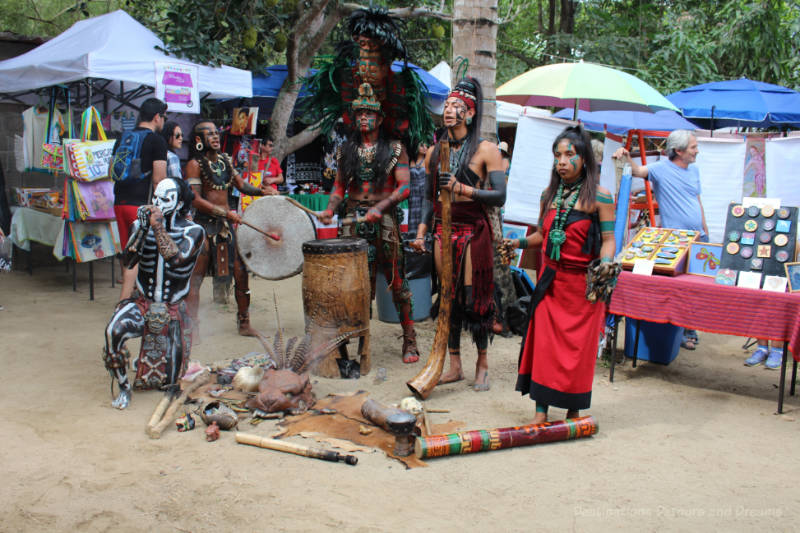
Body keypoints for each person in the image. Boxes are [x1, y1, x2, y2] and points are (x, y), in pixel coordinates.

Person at [511, 125, 616, 423]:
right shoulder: (549, 195)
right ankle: (541, 411)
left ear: (584, 158)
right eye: (557, 154)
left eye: (569, 154)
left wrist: (605, 264)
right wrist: (516, 241)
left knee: (577, 352)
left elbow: (608, 240)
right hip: (551, 283)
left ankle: (574, 410)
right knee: (544, 346)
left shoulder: (601, 197)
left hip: (584, 288)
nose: (562, 161)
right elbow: (542, 236)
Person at [410, 77, 506, 391]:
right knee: (448, 296)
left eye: (457, 106)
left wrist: (463, 188)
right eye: (448, 105)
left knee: (473, 298)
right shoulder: (435, 152)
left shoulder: (486, 149)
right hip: (443, 229)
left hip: (473, 230)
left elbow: (500, 196)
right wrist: (422, 230)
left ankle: (482, 363)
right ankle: (453, 364)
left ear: (470, 113)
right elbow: (428, 198)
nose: (450, 111)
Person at [318, 83, 420, 364]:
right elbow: (339, 187)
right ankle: (350, 337)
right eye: (359, 112)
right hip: (353, 221)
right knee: (351, 283)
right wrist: (329, 209)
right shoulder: (345, 150)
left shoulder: (396, 149)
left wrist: (380, 206)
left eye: (369, 112)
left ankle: (409, 337)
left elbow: (404, 188)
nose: (363, 117)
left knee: (397, 281)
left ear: (380, 118)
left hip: (385, 220)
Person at [103, 178, 205, 409]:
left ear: (179, 204)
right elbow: (128, 262)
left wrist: (158, 226)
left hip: (173, 308)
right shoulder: (141, 227)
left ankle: (172, 388)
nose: (157, 204)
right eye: (155, 198)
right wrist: (141, 231)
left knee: (173, 376)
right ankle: (123, 388)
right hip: (143, 302)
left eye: (165, 199)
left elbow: (177, 260)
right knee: (112, 332)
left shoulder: (194, 231)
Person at [613, 129, 708, 350]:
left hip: (698, 236)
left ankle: (689, 328)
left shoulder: (694, 171)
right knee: (678, 288)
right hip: (674, 241)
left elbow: (697, 200)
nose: (697, 151)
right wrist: (625, 154)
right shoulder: (659, 169)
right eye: (693, 147)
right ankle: (679, 331)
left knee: (694, 287)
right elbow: (636, 170)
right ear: (678, 150)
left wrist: (705, 229)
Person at [184, 120, 276, 338]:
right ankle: (193, 327)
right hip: (204, 226)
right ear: (199, 140)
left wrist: (261, 192)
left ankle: (244, 323)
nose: (215, 137)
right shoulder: (194, 164)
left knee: (241, 273)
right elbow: (195, 199)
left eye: (216, 133)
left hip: (226, 226)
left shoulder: (225, 160)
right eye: (210, 134)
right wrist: (225, 213)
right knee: (196, 278)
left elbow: (241, 185)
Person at [112, 97, 168, 300]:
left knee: (129, 251)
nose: (164, 121)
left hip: (119, 202)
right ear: (156, 117)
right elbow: (159, 179)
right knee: (139, 257)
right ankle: (123, 303)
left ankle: (135, 295)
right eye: (164, 117)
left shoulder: (122, 137)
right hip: (140, 206)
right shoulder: (157, 141)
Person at [407, 141, 429, 231]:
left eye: (426, 145)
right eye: (421, 145)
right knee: (412, 216)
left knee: (423, 216)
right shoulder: (409, 160)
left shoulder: (428, 160)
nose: (425, 148)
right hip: (412, 194)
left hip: (424, 193)